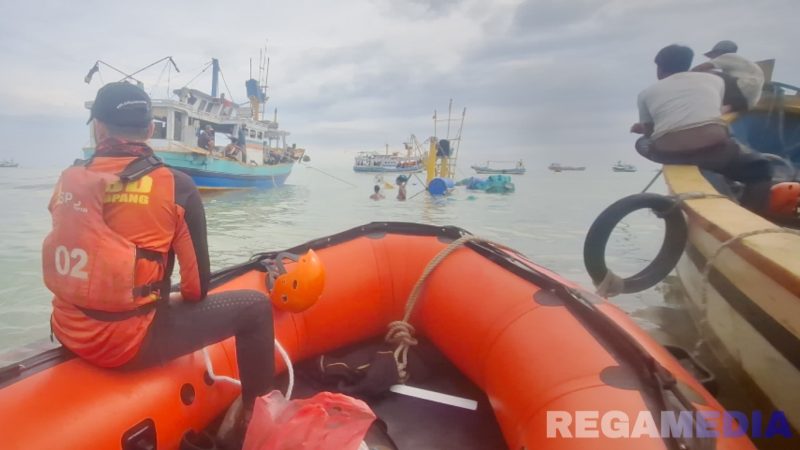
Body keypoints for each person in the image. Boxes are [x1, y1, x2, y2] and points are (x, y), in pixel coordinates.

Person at [43, 82, 276, 443]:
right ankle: (256, 423)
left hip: (66, 329)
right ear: (151, 130)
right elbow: (197, 291)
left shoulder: (68, 180)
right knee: (257, 308)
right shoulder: (177, 186)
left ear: (98, 129)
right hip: (127, 347)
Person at [631, 44, 772, 212]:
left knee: (642, 142)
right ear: (687, 64)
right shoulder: (715, 80)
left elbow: (649, 134)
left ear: (660, 69)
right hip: (716, 151)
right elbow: (707, 111)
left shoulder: (646, 93)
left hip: (670, 155)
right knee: (761, 169)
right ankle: (752, 214)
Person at [691, 40, 765, 112]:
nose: (712, 58)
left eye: (713, 55)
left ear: (719, 52)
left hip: (741, 88)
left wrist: (683, 76)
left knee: (708, 74)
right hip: (748, 102)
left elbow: (699, 68)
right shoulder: (742, 63)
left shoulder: (728, 56)